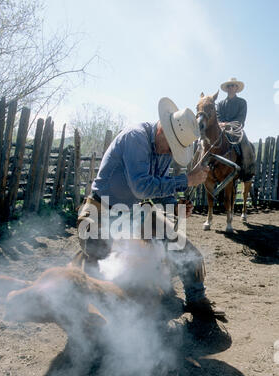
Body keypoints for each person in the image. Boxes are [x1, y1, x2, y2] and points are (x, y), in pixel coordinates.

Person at [76, 97, 225, 321]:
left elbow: (161, 189)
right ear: (162, 131)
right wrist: (186, 180)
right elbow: (141, 188)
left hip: (134, 213)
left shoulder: (163, 150)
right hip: (101, 210)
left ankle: (196, 298)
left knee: (184, 248)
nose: (169, 154)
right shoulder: (135, 138)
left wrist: (175, 206)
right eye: (171, 147)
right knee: (100, 252)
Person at [216, 77, 255, 182]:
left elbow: (241, 118)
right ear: (227, 88)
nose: (231, 87)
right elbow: (218, 117)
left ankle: (246, 171)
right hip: (222, 129)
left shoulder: (242, 102)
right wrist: (221, 124)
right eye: (229, 86)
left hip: (236, 130)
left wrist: (229, 124)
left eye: (233, 85)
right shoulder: (220, 104)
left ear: (236, 88)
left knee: (246, 146)